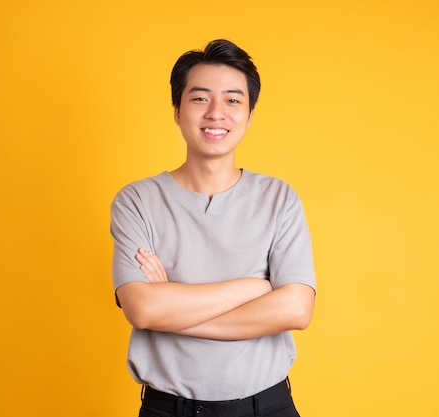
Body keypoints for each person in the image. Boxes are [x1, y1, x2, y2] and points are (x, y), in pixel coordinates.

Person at [110, 39, 316, 417]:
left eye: (233, 100)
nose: (216, 113)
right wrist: (255, 287)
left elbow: (297, 310)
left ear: (250, 114)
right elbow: (142, 310)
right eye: (200, 98)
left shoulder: (279, 198)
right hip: (168, 409)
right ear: (177, 110)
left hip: (266, 407)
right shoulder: (136, 201)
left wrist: (171, 307)